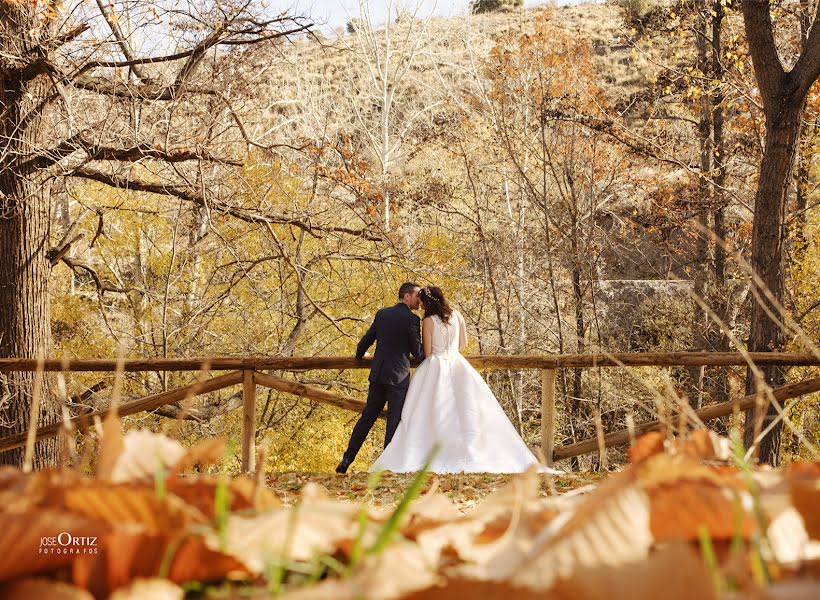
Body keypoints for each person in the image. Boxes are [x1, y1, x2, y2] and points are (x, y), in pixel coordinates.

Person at [371, 286, 561, 474]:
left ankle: (432, 450)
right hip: (457, 363)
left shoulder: (428, 321)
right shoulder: (457, 315)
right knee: (471, 409)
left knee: (424, 412)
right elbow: (463, 344)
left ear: (428, 303)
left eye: (422, 302)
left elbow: (427, 352)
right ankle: (469, 450)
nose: (420, 306)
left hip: (435, 366)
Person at [335, 282, 424, 474]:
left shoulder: (382, 314)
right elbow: (417, 353)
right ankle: (386, 466)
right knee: (394, 420)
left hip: (378, 374)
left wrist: (360, 356)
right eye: (417, 295)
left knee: (367, 417)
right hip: (398, 377)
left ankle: (347, 458)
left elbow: (366, 340)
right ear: (406, 296)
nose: (419, 299)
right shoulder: (412, 320)